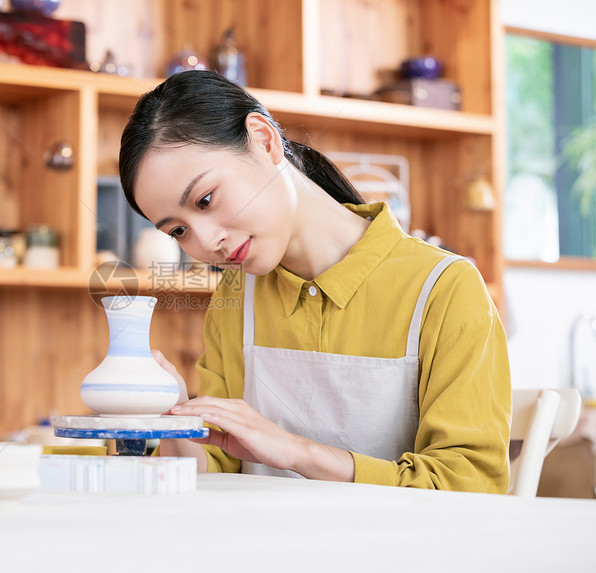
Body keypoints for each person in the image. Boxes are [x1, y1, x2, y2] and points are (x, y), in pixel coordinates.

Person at [118, 70, 511, 492]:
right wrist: (175, 417)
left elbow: (472, 486)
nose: (207, 241)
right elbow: (216, 472)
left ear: (264, 140)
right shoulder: (238, 296)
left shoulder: (445, 289)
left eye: (206, 200)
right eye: (178, 231)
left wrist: (298, 453)